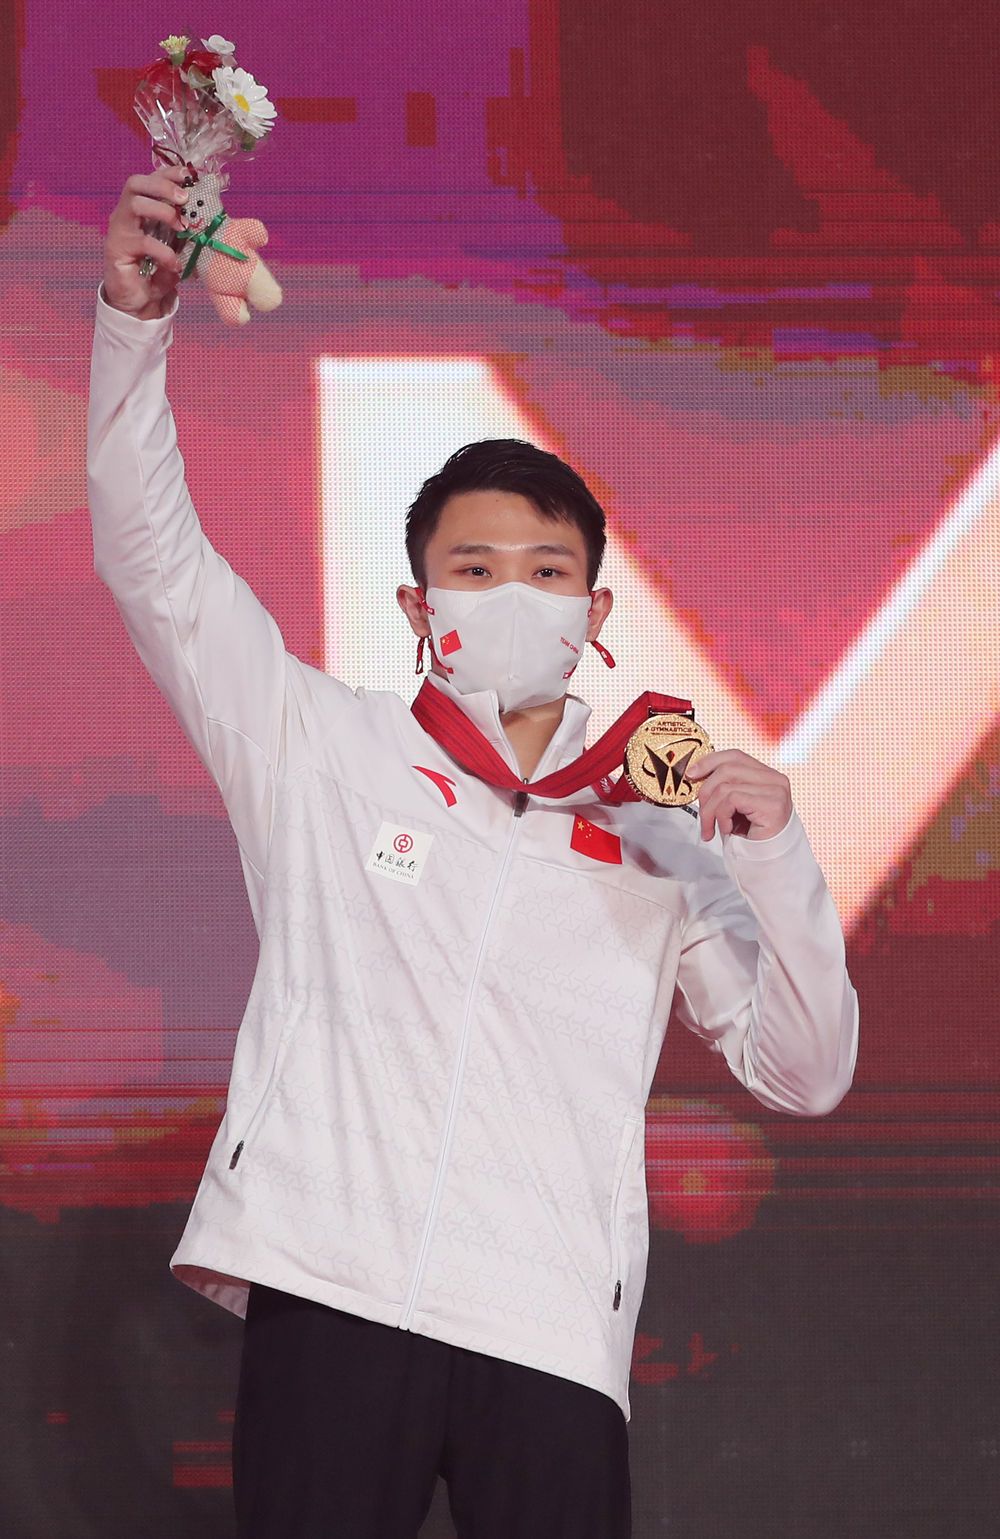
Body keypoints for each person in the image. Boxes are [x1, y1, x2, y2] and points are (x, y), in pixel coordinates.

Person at [87, 167, 860, 1539]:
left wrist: (777, 859)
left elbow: (804, 1072)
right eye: (477, 569)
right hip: (332, 1292)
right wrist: (132, 327)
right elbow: (156, 561)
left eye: (549, 573)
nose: (515, 597)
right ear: (417, 603)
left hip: (548, 1330)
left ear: (596, 613)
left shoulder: (660, 823)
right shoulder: (319, 748)